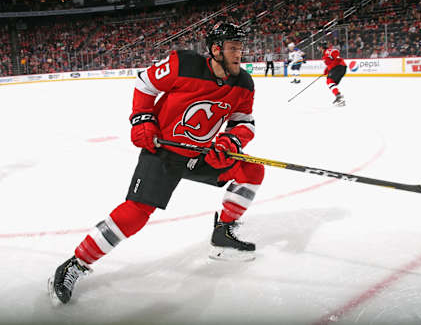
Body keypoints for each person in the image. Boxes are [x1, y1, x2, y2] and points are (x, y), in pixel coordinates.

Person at [48, 22, 265, 305]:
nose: (240, 54)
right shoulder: (182, 64)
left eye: (240, 48)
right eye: (234, 48)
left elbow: (244, 123)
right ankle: (74, 265)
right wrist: (143, 119)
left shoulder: (244, 84)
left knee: (252, 170)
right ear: (215, 50)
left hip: (201, 155)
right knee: (136, 213)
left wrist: (230, 142)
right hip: (162, 150)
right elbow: (145, 83)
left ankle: (223, 231)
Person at [318, 40, 347, 107]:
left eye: (319, 47)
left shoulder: (327, 52)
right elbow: (330, 63)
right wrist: (327, 70)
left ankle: (339, 98)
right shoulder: (325, 53)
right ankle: (338, 97)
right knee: (331, 83)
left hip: (338, 67)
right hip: (340, 68)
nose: (319, 48)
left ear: (321, 47)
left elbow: (335, 52)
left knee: (329, 81)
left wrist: (333, 59)